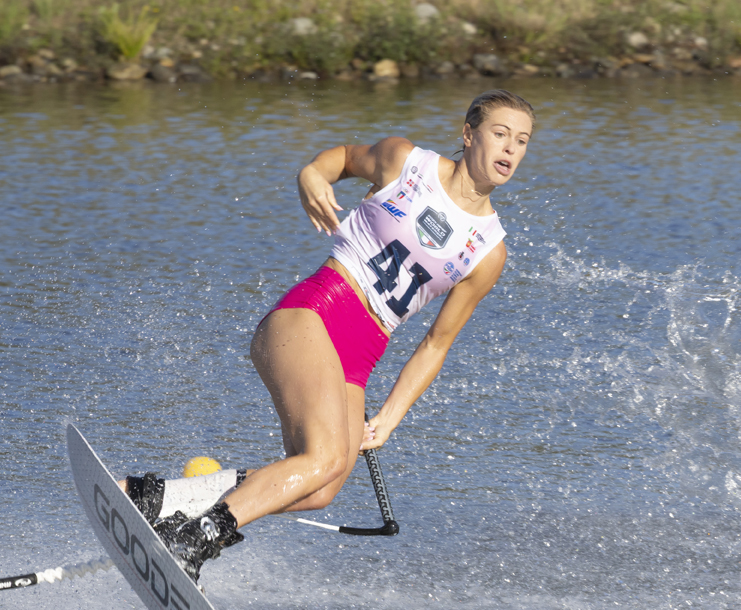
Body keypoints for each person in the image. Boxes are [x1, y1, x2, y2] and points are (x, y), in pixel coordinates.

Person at [122, 89, 535, 581]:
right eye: (501, 134)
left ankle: (154, 498)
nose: (511, 149)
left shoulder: (489, 251)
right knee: (320, 460)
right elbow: (340, 158)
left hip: (362, 354)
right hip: (315, 312)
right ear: (469, 135)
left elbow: (436, 344)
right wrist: (310, 175)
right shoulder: (407, 162)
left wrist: (387, 420)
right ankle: (193, 541)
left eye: (523, 141)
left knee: (321, 486)